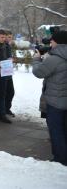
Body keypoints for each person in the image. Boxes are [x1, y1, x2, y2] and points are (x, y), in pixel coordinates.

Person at [32, 31, 67, 166]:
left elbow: (39, 72)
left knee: (56, 130)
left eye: (51, 41)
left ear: (57, 42)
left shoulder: (55, 58)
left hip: (56, 100)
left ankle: (60, 159)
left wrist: (36, 59)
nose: (50, 43)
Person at [4, 30, 16, 117]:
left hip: (8, 71)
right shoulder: (2, 46)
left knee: (11, 92)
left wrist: (11, 59)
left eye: (11, 37)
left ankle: (7, 108)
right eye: (9, 37)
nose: (10, 39)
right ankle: (2, 109)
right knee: (4, 92)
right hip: (2, 71)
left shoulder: (8, 46)